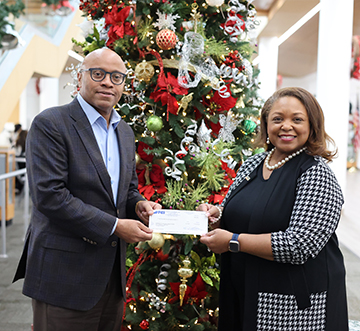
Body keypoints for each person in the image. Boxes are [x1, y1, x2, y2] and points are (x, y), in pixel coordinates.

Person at [13, 48, 161, 331]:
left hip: (110, 279)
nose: (108, 82)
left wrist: (139, 204)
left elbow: (125, 190)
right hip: (63, 277)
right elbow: (50, 196)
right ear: (80, 78)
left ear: (123, 85)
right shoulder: (51, 124)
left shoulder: (124, 131)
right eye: (98, 74)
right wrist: (116, 226)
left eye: (116, 77)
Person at [198, 87, 348, 331]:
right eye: (277, 119)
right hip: (244, 288)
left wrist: (233, 241)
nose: (286, 126)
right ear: (266, 124)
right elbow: (235, 212)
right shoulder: (256, 162)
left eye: (297, 119)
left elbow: (300, 244)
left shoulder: (316, 173)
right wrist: (216, 216)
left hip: (292, 303)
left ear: (312, 126)